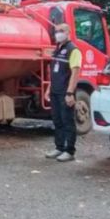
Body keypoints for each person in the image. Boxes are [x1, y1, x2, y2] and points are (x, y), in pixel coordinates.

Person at [45, 22, 82, 162]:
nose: (58, 33)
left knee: (68, 121)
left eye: (61, 31)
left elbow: (75, 72)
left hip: (65, 92)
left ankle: (69, 151)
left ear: (68, 33)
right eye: (56, 31)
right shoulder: (57, 49)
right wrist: (48, 89)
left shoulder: (74, 50)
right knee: (57, 120)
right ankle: (59, 147)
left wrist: (70, 93)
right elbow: (53, 73)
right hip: (55, 90)